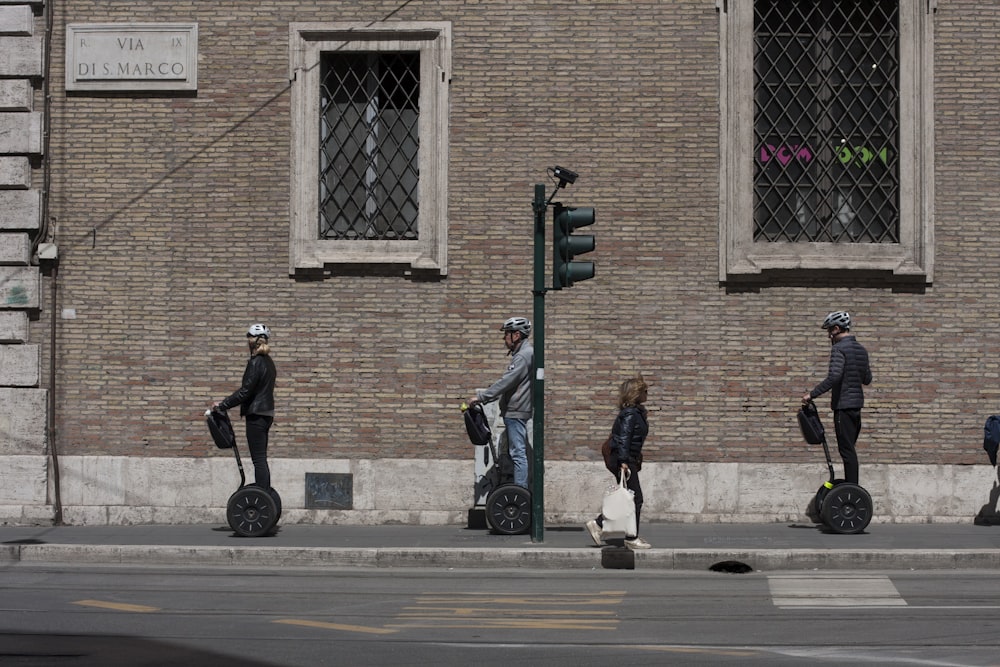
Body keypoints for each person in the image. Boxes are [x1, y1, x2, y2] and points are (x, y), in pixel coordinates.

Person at [801, 311, 872, 485]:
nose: (828, 335)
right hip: (856, 407)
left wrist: (812, 394)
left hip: (843, 406)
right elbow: (867, 379)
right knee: (850, 450)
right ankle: (851, 488)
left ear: (837, 329)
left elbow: (834, 377)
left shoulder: (838, 349)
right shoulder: (861, 350)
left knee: (846, 451)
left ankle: (852, 491)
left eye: (829, 331)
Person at [586, 375, 651, 550]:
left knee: (630, 498)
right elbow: (624, 438)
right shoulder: (630, 414)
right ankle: (628, 536)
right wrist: (623, 461)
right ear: (637, 393)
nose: (647, 394)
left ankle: (605, 526)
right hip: (624, 460)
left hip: (628, 459)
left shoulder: (634, 412)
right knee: (635, 498)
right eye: (645, 391)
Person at [468, 316, 533, 489]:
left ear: (516, 335)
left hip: (516, 410)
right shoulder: (523, 354)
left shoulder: (523, 356)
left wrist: (482, 396)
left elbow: (507, 381)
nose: (504, 339)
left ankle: (520, 493)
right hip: (516, 409)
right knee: (517, 452)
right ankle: (519, 491)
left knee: (518, 453)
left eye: (506, 334)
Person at [213, 323, 277, 491]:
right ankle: (265, 493)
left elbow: (245, 392)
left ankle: (263, 494)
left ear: (253, 341)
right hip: (267, 414)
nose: (247, 340)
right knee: (261, 458)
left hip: (256, 415)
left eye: (249, 337)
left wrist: (223, 404)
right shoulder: (269, 362)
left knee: (258, 459)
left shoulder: (255, 362)